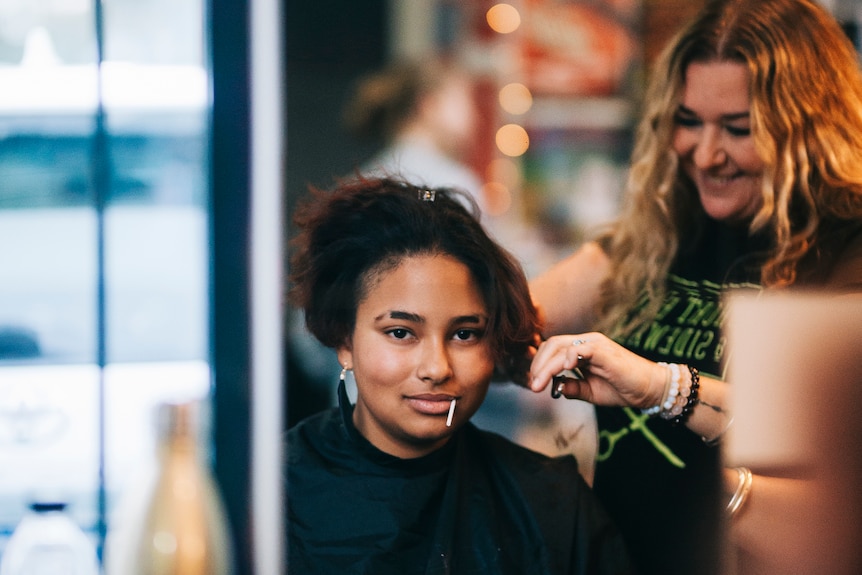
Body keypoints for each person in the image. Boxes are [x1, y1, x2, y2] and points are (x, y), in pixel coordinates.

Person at [525, 1, 862, 574]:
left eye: (738, 129)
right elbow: (516, 311)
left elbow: (818, 426)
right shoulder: (659, 236)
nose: (706, 155)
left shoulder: (848, 250)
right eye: (688, 121)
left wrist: (660, 387)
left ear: (807, 125)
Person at [286, 177, 634, 574]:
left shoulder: (551, 504)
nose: (437, 368)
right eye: (401, 333)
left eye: (464, 334)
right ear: (344, 340)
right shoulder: (274, 493)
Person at [342, 57, 486, 212]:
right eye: (465, 101)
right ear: (429, 105)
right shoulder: (455, 189)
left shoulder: (356, 187)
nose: (476, 116)